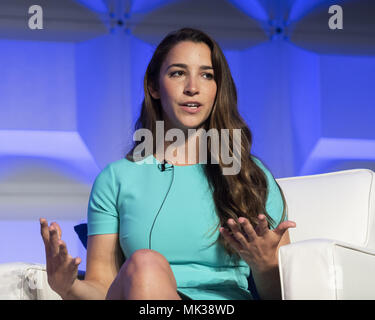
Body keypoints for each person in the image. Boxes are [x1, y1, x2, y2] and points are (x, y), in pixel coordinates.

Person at [40, 27, 296, 300]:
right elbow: (103, 288)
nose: (192, 88)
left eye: (207, 75)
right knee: (145, 265)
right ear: (153, 87)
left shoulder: (249, 175)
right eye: (178, 73)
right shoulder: (116, 179)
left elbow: (286, 294)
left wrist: (265, 266)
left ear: (217, 88)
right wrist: (67, 286)